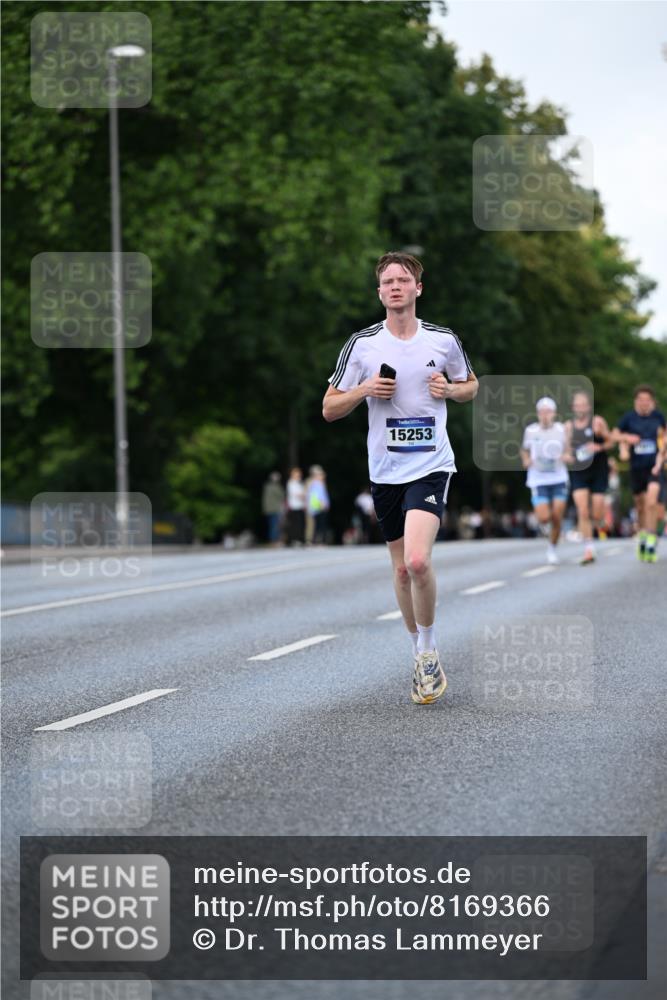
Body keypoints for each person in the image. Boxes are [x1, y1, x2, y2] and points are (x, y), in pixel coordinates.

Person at [322, 251, 477, 705]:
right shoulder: (363, 345)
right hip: (385, 469)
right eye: (387, 281)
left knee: (417, 561)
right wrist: (365, 390)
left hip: (431, 464)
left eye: (403, 280)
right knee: (398, 568)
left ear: (417, 289)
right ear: (379, 292)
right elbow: (329, 407)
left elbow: (471, 385)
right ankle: (416, 651)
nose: (395, 287)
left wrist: (449, 389)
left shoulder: (442, 340)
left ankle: (428, 652)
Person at [613, 385, 666, 562]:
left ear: (652, 401)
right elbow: (614, 435)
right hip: (636, 468)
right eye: (640, 400)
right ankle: (643, 536)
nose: (644, 403)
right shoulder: (629, 418)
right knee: (641, 506)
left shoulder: (659, 417)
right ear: (636, 401)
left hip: (655, 466)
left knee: (652, 502)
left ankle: (651, 540)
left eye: (647, 400)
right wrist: (626, 439)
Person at [563, 390, 613, 564]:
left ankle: (600, 522)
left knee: (597, 513)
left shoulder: (598, 422)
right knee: (583, 511)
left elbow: (610, 441)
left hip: (598, 470)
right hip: (579, 472)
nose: (580, 407)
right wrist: (568, 456)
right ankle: (589, 549)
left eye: (583, 404)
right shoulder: (568, 426)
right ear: (573, 408)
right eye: (577, 405)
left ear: (589, 407)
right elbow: (566, 451)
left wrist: (599, 446)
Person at [520, 397, 569, 564]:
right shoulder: (531, 431)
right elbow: (524, 450)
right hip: (538, 479)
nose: (545, 415)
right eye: (542, 412)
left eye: (548, 412)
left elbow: (570, 452)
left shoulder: (562, 430)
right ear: (538, 414)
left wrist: (566, 456)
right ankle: (545, 527)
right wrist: (526, 460)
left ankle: (552, 549)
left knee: (557, 515)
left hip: (558, 478)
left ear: (554, 414)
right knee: (543, 518)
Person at [307, 465, 330, 545]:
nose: (323, 476)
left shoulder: (316, 483)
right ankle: (320, 540)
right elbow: (318, 495)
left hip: (317, 507)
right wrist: (323, 504)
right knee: (321, 525)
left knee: (318, 525)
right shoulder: (317, 483)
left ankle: (316, 540)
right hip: (319, 507)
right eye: (321, 474)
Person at [261, 471, 285, 546]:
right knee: (275, 525)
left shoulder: (267, 486)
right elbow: (281, 496)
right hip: (275, 508)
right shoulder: (276, 487)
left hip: (269, 509)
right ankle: (274, 540)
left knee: (272, 525)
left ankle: (273, 540)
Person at [286, 467, 306, 546]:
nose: (298, 475)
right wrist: (303, 495)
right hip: (294, 506)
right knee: (295, 524)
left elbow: (303, 494)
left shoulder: (299, 483)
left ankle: (299, 539)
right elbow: (296, 494)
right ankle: (294, 540)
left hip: (300, 506)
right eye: (296, 474)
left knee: (301, 524)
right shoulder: (291, 483)